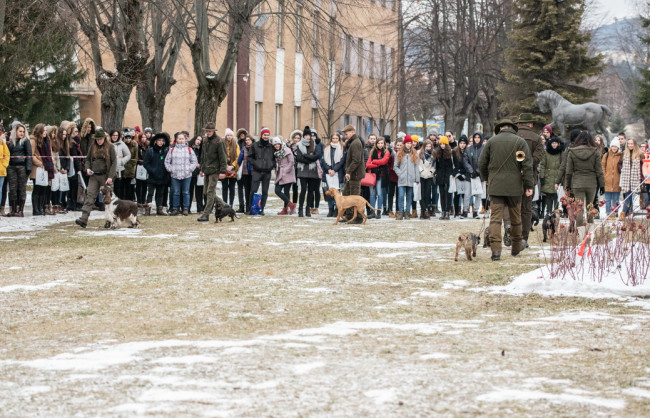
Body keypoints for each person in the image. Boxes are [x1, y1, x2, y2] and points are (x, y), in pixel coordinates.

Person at [479, 119, 534, 261]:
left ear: (500, 128)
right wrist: (529, 185)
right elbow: (525, 165)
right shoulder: (519, 142)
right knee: (516, 219)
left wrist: (486, 178)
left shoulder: (491, 142)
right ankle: (516, 248)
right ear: (512, 128)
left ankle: (496, 251)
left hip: (496, 186)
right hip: (515, 188)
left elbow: (482, 163)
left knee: (495, 220)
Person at [75, 128, 117, 228]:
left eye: (100, 139)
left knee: (108, 199)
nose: (99, 141)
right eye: (97, 139)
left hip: (105, 176)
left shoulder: (110, 147)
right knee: (89, 197)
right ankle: (84, 218)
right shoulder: (92, 147)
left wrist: (110, 176)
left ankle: (110, 221)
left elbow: (114, 162)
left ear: (104, 138)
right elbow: (88, 159)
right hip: (94, 176)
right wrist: (88, 168)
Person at [564, 131, 605, 228]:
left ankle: (580, 231)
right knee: (590, 206)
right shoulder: (595, 151)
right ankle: (590, 230)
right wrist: (602, 185)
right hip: (591, 183)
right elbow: (599, 171)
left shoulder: (572, 151)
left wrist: (568, 185)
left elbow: (569, 171)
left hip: (577, 183)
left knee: (579, 208)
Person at [197, 122, 228, 221]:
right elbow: (203, 156)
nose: (208, 132)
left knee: (210, 192)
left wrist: (223, 171)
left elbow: (223, 157)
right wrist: (202, 168)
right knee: (206, 192)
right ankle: (226, 206)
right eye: (207, 131)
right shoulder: (205, 140)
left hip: (215, 170)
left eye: (210, 131)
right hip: (207, 169)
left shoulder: (219, 141)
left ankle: (206, 214)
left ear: (214, 131)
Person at [165, 131, 198, 216]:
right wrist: (171, 169)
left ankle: (185, 208)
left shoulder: (189, 150)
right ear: (176, 139)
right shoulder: (172, 150)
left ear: (185, 139)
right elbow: (167, 161)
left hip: (186, 175)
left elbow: (194, 161)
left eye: (182, 138)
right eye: (179, 139)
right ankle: (175, 208)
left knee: (186, 192)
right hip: (175, 175)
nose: (181, 140)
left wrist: (189, 169)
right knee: (176, 192)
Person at [6, 123, 32, 217]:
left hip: (22, 167)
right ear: (15, 131)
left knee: (21, 188)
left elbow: (29, 155)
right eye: (20, 131)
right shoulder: (11, 141)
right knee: (12, 188)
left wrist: (28, 169)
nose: (22, 133)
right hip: (11, 167)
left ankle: (20, 210)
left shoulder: (26, 141)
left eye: (23, 131)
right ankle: (13, 209)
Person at [294, 126, 321, 217]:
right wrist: (309, 158)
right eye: (306, 135)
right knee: (303, 190)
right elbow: (299, 158)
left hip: (313, 171)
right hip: (302, 171)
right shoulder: (299, 145)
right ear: (303, 136)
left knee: (311, 191)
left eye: (309, 135)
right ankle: (300, 209)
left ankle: (308, 209)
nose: (308, 137)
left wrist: (306, 156)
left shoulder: (314, 145)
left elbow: (317, 156)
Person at [247, 127, 275, 216]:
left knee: (265, 192)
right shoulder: (255, 145)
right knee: (253, 190)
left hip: (267, 172)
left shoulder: (271, 147)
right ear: (261, 135)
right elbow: (249, 157)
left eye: (267, 135)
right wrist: (256, 164)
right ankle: (249, 208)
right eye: (264, 135)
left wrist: (271, 165)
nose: (266, 136)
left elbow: (274, 158)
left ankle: (261, 208)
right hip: (257, 171)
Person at [30, 124, 55, 216]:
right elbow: (31, 155)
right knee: (37, 189)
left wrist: (51, 161)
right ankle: (35, 209)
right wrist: (40, 163)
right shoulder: (33, 140)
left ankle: (41, 208)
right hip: (37, 168)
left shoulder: (47, 140)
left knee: (44, 188)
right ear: (39, 131)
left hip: (46, 167)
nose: (45, 132)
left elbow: (50, 152)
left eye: (45, 130)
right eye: (43, 130)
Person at [143, 132, 171, 216]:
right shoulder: (150, 151)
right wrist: (152, 170)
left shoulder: (166, 151)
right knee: (150, 193)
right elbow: (145, 163)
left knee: (160, 194)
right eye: (159, 140)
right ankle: (148, 209)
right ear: (155, 141)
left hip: (162, 176)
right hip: (152, 176)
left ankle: (159, 209)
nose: (161, 142)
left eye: (162, 141)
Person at [393, 135, 420, 220]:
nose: (408, 145)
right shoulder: (400, 154)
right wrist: (400, 174)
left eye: (410, 143)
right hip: (402, 179)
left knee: (409, 196)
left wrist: (417, 178)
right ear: (404, 144)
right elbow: (395, 166)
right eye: (407, 143)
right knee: (401, 196)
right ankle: (400, 212)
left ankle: (407, 212)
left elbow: (416, 167)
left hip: (411, 179)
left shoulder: (414, 153)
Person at [342, 124, 365, 222]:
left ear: (352, 132)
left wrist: (349, 171)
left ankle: (358, 217)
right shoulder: (353, 142)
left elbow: (356, 160)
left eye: (346, 134)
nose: (345, 136)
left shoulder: (356, 143)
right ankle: (349, 216)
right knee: (346, 194)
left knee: (355, 198)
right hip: (352, 174)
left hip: (354, 174)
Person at [320, 131, 346, 217]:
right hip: (327, 173)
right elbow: (323, 160)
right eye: (333, 138)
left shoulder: (342, 148)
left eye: (336, 138)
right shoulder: (326, 147)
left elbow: (342, 161)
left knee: (337, 192)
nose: (334, 140)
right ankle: (330, 209)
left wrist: (334, 170)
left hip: (338, 173)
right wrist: (328, 169)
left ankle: (336, 209)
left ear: (339, 139)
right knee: (328, 191)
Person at [618, 137, 643, 220]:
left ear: (634, 144)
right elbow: (619, 164)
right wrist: (622, 169)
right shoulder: (624, 153)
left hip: (635, 177)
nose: (630, 145)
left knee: (630, 195)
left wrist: (641, 176)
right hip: (626, 178)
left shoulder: (640, 154)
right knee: (628, 195)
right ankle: (626, 212)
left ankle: (625, 212)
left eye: (631, 143)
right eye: (628, 143)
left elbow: (642, 166)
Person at [366, 136, 390, 219]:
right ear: (376, 144)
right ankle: (372, 211)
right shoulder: (373, 152)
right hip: (372, 175)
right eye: (378, 143)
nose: (380, 145)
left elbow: (384, 161)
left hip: (381, 175)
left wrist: (374, 161)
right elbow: (367, 165)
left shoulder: (387, 152)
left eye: (381, 143)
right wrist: (377, 163)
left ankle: (379, 211)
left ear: (384, 144)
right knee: (372, 194)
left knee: (380, 194)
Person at [539, 136, 564, 216]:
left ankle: (556, 211)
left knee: (556, 195)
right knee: (548, 195)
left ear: (558, 144)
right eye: (553, 143)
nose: (554, 145)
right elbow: (543, 165)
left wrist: (562, 177)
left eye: (556, 143)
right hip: (548, 176)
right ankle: (548, 211)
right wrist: (542, 176)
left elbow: (563, 165)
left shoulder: (561, 153)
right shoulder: (546, 152)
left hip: (557, 176)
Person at [272, 137, 296, 215]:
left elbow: (291, 161)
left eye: (277, 144)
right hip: (280, 172)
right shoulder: (276, 152)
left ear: (280, 143)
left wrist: (286, 171)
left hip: (288, 172)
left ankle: (285, 209)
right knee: (277, 190)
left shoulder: (287, 150)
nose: (276, 146)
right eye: (275, 144)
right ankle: (290, 205)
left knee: (286, 191)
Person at [601, 137, 622, 219]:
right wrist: (605, 175)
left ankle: (615, 212)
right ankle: (608, 212)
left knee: (616, 198)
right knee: (608, 198)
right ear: (610, 146)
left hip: (617, 180)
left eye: (616, 146)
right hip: (608, 180)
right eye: (613, 146)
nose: (614, 148)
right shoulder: (606, 155)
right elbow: (603, 166)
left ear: (618, 147)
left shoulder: (620, 155)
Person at [434, 136, 454, 220]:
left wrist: (452, 174)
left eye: (444, 144)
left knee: (448, 194)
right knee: (442, 194)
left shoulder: (451, 153)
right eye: (441, 144)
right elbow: (437, 166)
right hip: (440, 176)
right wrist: (437, 174)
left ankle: (447, 211)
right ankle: (443, 211)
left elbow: (453, 165)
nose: (442, 145)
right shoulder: (437, 153)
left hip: (449, 176)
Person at [466, 131, 485, 217]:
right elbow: (465, 161)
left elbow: (484, 161)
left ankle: (475, 211)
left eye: (478, 137)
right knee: (468, 193)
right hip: (470, 175)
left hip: (480, 175)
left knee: (478, 194)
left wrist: (477, 171)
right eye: (475, 137)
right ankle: (465, 210)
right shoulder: (469, 149)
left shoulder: (484, 149)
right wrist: (471, 171)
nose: (477, 139)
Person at [452, 136, 471, 218]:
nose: (462, 145)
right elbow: (453, 165)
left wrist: (465, 174)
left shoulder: (468, 151)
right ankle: (456, 211)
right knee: (456, 194)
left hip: (466, 175)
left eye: (464, 143)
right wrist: (457, 174)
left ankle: (464, 211)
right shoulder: (454, 152)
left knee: (465, 195)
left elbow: (469, 164)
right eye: (461, 143)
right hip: (457, 175)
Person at [221, 128, 240, 207]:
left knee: (232, 188)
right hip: (224, 169)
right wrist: (225, 166)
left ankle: (231, 203)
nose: (229, 137)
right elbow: (220, 156)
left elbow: (238, 156)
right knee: (224, 187)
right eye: (227, 135)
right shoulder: (222, 144)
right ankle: (225, 203)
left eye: (230, 135)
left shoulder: (235, 144)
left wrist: (232, 166)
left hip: (233, 169)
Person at [237, 135, 254, 214]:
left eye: (249, 140)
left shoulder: (255, 148)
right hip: (245, 172)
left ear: (252, 140)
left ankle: (251, 207)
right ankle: (247, 208)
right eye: (246, 140)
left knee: (252, 190)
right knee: (247, 190)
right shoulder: (243, 149)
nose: (247, 141)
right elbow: (239, 160)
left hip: (253, 172)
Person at [418, 140, 435, 219]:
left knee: (427, 194)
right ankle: (423, 211)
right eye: (426, 146)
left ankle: (425, 210)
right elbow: (417, 164)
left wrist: (431, 172)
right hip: (421, 175)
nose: (428, 148)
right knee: (421, 194)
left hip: (429, 176)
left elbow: (434, 165)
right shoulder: (419, 154)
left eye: (429, 147)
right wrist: (421, 171)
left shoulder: (433, 155)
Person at [188, 135, 204, 213]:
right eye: (198, 139)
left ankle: (200, 208)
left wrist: (200, 166)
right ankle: (187, 208)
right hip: (190, 172)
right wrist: (195, 164)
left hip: (199, 173)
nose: (198, 141)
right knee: (190, 191)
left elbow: (203, 160)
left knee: (199, 192)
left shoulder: (201, 150)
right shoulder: (189, 149)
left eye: (200, 140)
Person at [235, 128, 249, 213]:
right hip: (239, 167)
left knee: (247, 188)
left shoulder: (248, 145)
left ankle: (247, 206)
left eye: (244, 135)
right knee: (240, 188)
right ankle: (241, 206)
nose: (242, 136)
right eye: (241, 135)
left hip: (246, 169)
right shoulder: (237, 144)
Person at [0, 126, 9, 215]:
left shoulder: (3, 143)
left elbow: (7, 154)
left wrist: (4, 165)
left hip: (1, 171)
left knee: (0, 190)